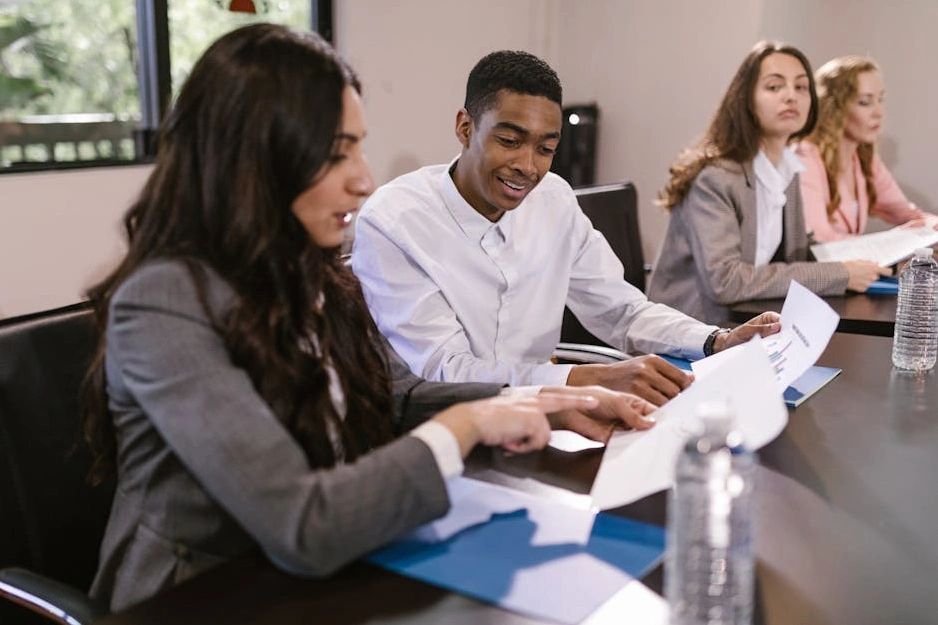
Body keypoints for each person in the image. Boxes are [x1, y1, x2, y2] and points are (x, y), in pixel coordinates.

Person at [81, 25, 661, 612]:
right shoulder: (163, 302)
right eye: (336, 153)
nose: (364, 179)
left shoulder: (314, 273)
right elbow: (301, 523)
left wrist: (533, 403)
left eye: (359, 147)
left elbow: (399, 396)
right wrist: (465, 428)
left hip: (326, 570)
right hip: (203, 596)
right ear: (253, 158)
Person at [351, 49, 781, 407]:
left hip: (549, 414)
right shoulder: (394, 222)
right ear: (465, 127)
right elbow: (446, 372)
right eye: (509, 140)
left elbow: (621, 310)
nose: (527, 166)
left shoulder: (553, 199)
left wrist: (716, 341)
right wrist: (586, 380)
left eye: (546, 149)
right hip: (447, 426)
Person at [648, 40, 888, 324]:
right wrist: (841, 273)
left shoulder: (786, 169)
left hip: (750, 324)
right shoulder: (716, 178)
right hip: (693, 330)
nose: (791, 97)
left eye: (801, 87)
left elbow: (798, 253)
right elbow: (725, 281)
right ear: (746, 100)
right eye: (775, 87)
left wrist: (881, 262)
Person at [795, 55, 936, 242]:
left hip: (855, 269)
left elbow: (910, 215)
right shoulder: (804, 157)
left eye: (880, 100)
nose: (879, 112)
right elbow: (819, 239)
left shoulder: (864, 159)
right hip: (821, 270)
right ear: (833, 108)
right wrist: (888, 245)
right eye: (864, 102)